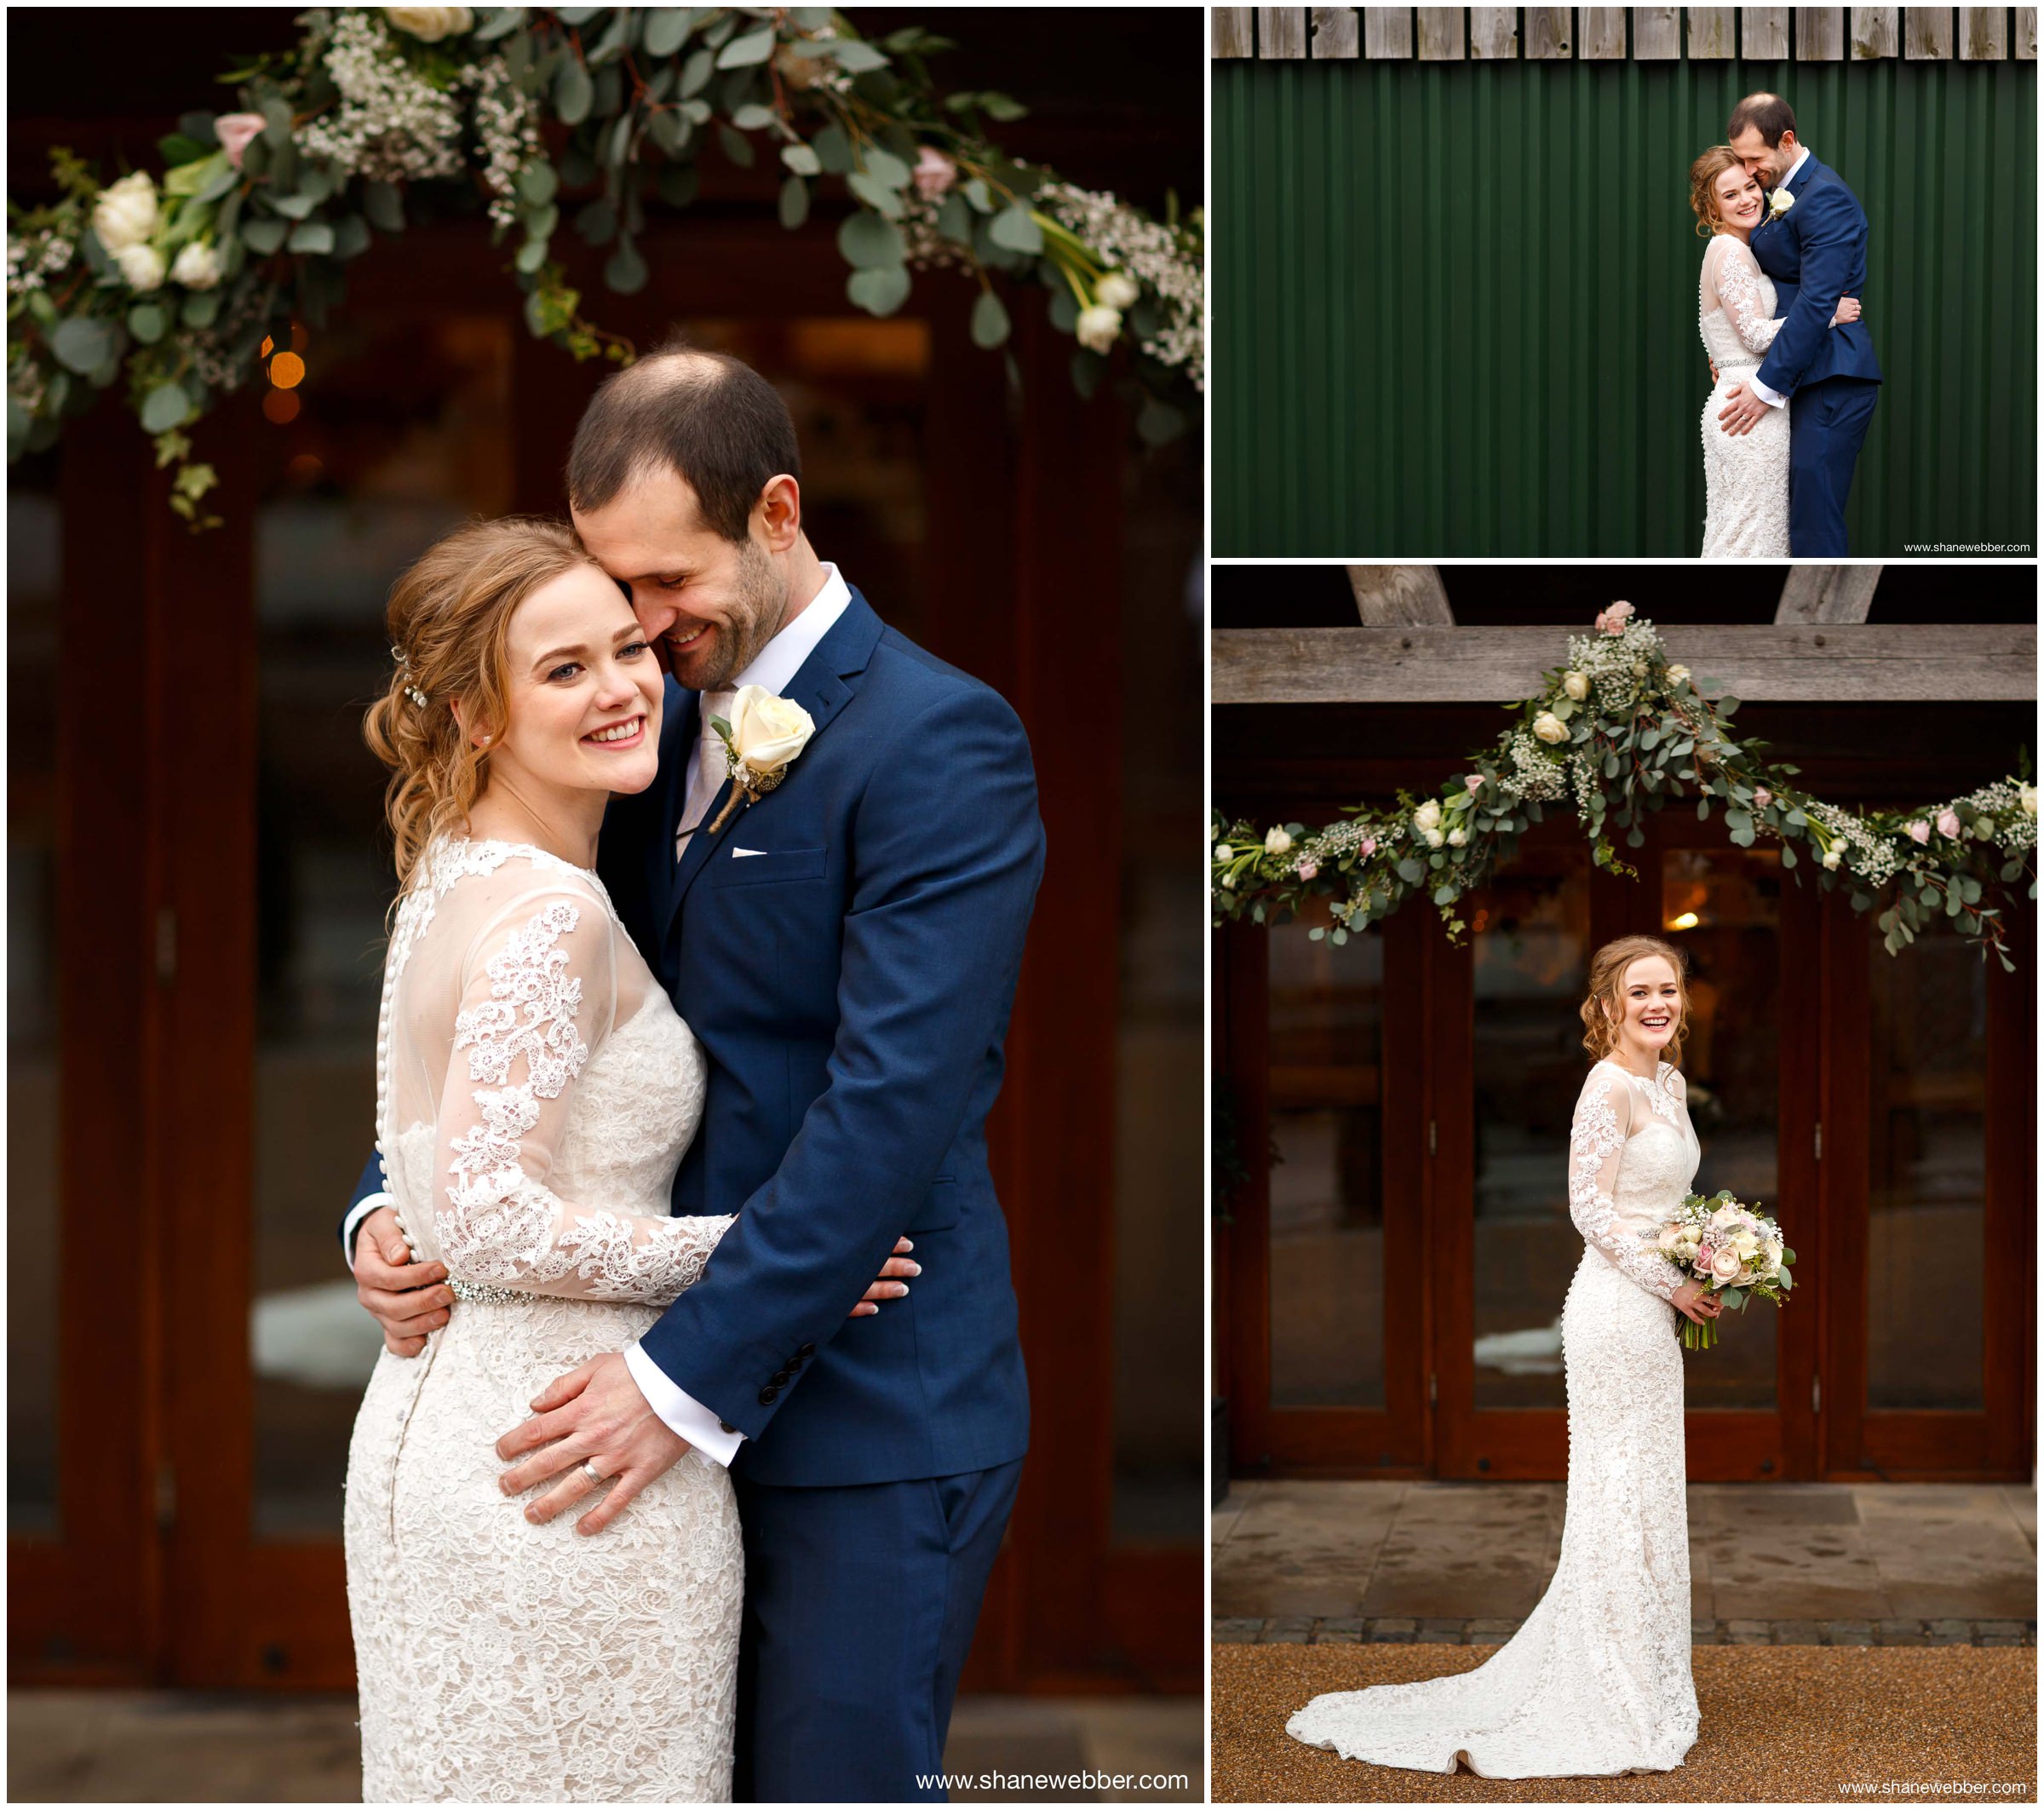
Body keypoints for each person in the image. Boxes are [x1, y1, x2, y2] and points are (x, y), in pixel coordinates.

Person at [343, 336, 1045, 1801]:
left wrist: (677, 1380)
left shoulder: (942, 742)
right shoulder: (638, 718)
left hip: (857, 1409)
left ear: (777, 516)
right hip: (617, 1415)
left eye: (667, 585)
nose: (642, 630)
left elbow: (890, 1106)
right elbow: (522, 997)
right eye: (613, 589)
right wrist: (396, 1206)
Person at [1287, 935, 1721, 1778]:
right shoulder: (1608, 1085)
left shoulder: (1667, 1082)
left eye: (1669, 988)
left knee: (1649, 1493)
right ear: (1607, 1007)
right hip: (1614, 1309)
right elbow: (1591, 1212)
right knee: (1616, 1494)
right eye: (1640, 992)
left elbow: (1664, 1199)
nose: (1658, 1003)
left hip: (1656, 1311)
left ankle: (1647, 1674)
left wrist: (1708, 1256)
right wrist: (1670, 1285)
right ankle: (1606, 1687)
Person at [1712, 93, 1884, 556]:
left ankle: (1825, 626)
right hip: (1801, 373)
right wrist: (1735, 354)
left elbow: (1815, 300)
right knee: (1786, 516)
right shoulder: (1783, 192)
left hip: (1832, 376)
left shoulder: (1825, 196)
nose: (1748, 172)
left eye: (1754, 159)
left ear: (1787, 140)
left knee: (1813, 520)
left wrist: (1765, 385)